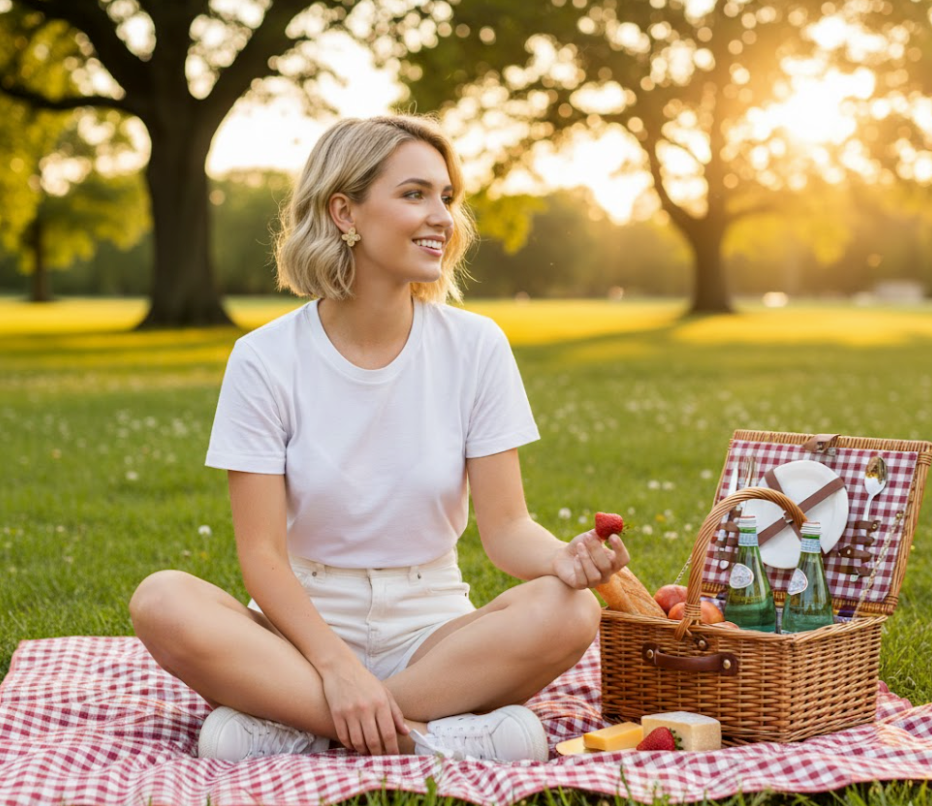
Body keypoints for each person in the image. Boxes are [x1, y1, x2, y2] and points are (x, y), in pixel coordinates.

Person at [129, 114, 629, 764]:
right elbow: (261, 556)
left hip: (433, 629)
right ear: (346, 212)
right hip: (300, 632)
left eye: (446, 197)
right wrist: (335, 666)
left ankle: (307, 727)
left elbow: (506, 530)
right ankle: (422, 736)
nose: (442, 217)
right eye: (414, 194)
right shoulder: (263, 358)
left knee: (569, 612)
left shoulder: (477, 347)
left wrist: (563, 559)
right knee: (162, 599)